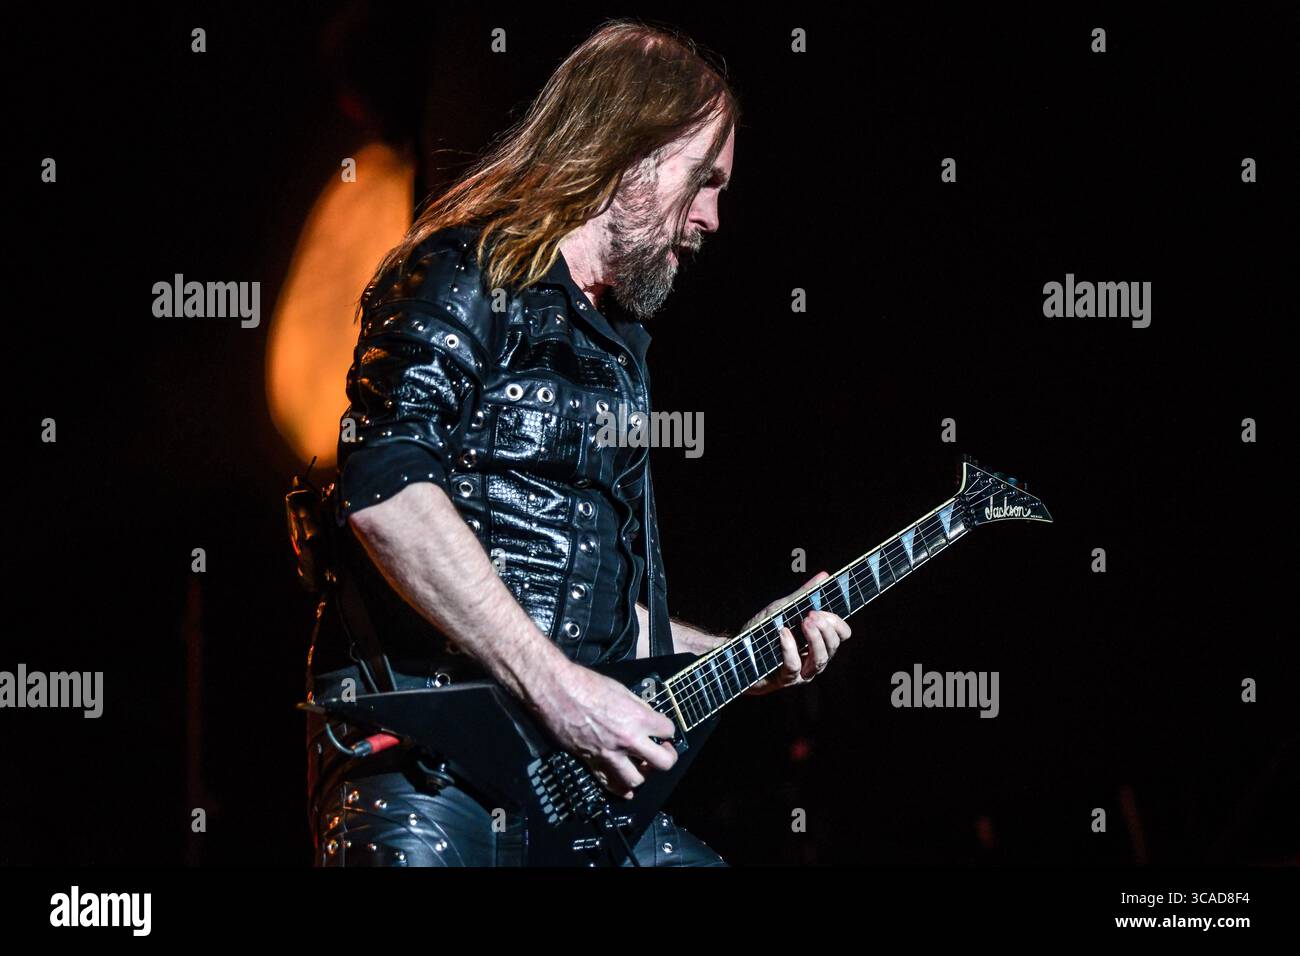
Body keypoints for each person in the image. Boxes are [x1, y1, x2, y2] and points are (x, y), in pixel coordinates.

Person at [304, 18, 851, 867]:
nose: (713, 215)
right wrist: (562, 696)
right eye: (703, 180)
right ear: (631, 152)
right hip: (429, 777)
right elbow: (385, 496)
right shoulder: (462, 269)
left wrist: (742, 653)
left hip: (557, 794)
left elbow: (588, 611)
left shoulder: (616, 349)